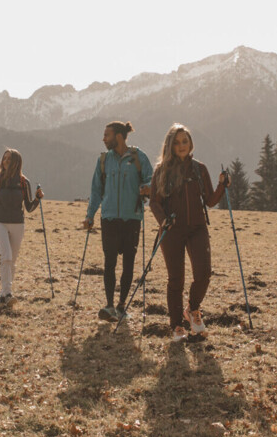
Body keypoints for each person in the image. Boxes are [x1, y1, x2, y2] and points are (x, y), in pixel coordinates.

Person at [149, 124, 227, 342]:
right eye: (177, 142)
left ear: (190, 143)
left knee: (204, 273)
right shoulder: (161, 170)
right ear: (170, 145)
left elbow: (210, 200)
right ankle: (176, 327)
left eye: (185, 141)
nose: (181, 146)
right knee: (176, 279)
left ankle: (192, 309)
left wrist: (222, 185)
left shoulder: (199, 169)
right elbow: (154, 202)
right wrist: (164, 221)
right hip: (172, 231)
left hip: (197, 228)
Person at [83, 121, 154, 322]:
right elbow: (96, 189)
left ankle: (122, 305)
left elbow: (151, 178)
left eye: (107, 135)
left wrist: (147, 187)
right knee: (109, 263)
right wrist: (90, 215)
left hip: (132, 218)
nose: (103, 139)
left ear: (119, 136)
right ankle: (109, 305)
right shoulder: (104, 160)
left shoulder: (138, 157)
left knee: (128, 264)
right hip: (109, 218)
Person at [0, 149, 43, 305]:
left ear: (16, 162)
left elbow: (29, 207)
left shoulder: (24, 182)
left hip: (18, 223)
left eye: (9, 159)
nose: (5, 161)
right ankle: (7, 294)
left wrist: (38, 199)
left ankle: (3, 295)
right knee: (6, 256)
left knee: (12, 260)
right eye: (4, 158)